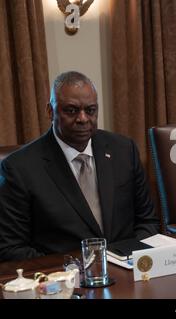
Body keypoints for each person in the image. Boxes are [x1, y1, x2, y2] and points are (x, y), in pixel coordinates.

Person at [0, 71, 159, 261]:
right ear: (50, 111)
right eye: (71, 110)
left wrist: (130, 258)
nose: (83, 118)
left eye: (90, 110)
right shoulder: (19, 168)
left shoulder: (124, 150)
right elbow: (11, 248)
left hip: (127, 270)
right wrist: (71, 270)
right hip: (65, 281)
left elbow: (147, 221)